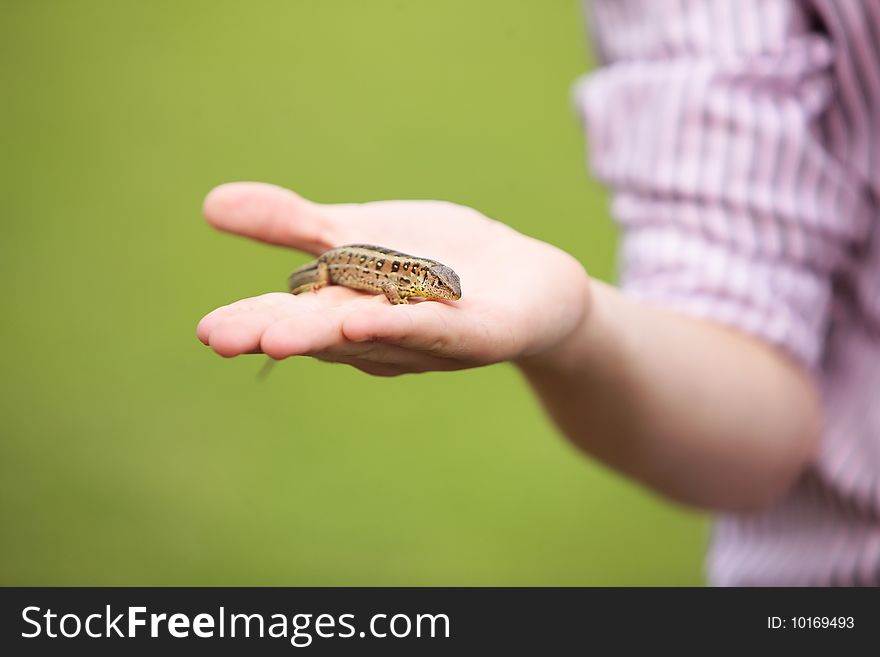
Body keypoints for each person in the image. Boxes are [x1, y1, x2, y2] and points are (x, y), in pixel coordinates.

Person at [197, 1, 880, 586]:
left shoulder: (414, 281)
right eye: (434, 283)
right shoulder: (381, 274)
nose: (437, 289)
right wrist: (580, 326)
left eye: (436, 283)